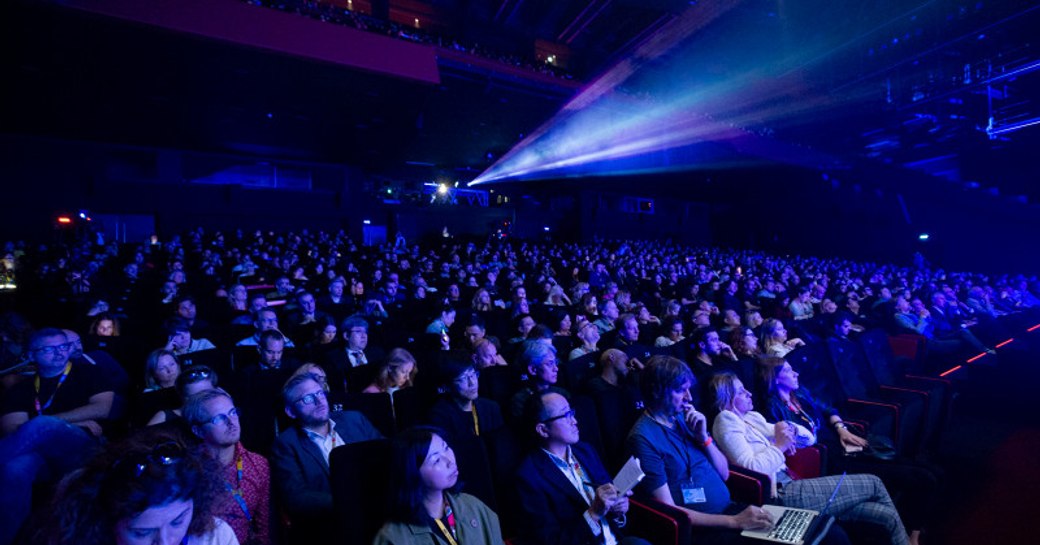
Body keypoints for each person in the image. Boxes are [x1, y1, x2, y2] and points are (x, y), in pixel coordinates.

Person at [709, 373, 912, 545]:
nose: (749, 393)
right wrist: (779, 446)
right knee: (874, 483)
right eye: (742, 392)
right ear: (727, 398)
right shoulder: (725, 420)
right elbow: (750, 468)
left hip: (794, 482)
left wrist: (791, 428)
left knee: (886, 516)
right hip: (780, 493)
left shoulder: (753, 418)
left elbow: (808, 439)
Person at [625, 355, 807, 545]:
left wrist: (704, 438)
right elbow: (669, 510)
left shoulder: (683, 417)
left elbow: (724, 473)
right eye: (681, 391)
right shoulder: (642, 438)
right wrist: (734, 522)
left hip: (731, 509)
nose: (689, 397)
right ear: (657, 392)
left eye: (688, 389)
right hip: (704, 530)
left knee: (815, 530)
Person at [758, 357, 938, 540]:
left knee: (927, 469)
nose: (796, 373)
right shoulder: (774, 407)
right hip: (832, 461)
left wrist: (841, 429)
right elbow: (790, 443)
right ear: (776, 378)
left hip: (845, 446)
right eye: (788, 371)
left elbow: (830, 409)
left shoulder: (801, 394)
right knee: (923, 478)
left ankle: (913, 529)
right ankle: (913, 536)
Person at [0, 328, 120, 545]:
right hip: (39, 456)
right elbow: (11, 430)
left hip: (83, 448)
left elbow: (102, 408)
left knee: (44, 423)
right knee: (14, 469)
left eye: (63, 346)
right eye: (49, 349)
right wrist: (73, 420)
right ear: (31, 355)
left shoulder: (90, 372)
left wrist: (52, 423)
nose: (59, 353)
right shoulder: (22, 389)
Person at [40, 426, 238, 545]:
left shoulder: (216, 536)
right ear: (106, 523)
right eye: (142, 533)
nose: (166, 542)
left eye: (178, 521)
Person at [515, 391, 649, 545]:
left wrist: (617, 508)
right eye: (565, 416)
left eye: (571, 412)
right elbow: (549, 540)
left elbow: (609, 502)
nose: (575, 421)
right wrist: (593, 514)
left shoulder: (585, 451)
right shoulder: (528, 477)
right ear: (543, 430)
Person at [271, 374, 383, 541]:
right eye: (308, 398)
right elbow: (296, 497)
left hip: (379, 510)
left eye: (320, 393)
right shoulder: (286, 444)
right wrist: (349, 502)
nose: (319, 401)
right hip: (332, 525)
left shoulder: (355, 420)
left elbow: (386, 455)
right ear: (291, 411)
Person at [373, 426, 505, 545]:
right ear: (412, 473)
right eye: (436, 460)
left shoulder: (474, 506)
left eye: (446, 448)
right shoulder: (393, 538)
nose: (449, 461)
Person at [185, 388, 271, 545]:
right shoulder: (188, 471)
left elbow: (263, 526)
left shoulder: (258, 464)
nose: (231, 422)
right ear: (198, 431)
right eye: (218, 419)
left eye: (233, 412)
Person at [428, 359, 505, 443]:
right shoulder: (439, 416)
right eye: (463, 378)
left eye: (473, 374)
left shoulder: (491, 408)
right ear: (447, 386)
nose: (472, 383)